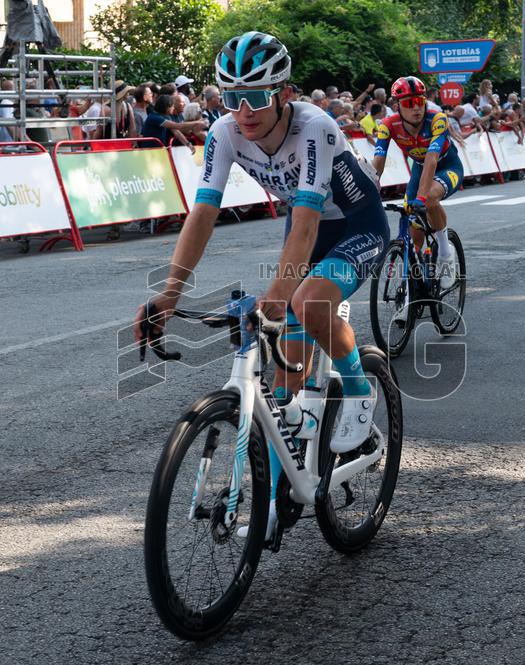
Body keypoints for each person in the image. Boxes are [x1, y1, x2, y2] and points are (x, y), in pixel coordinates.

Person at [133, 32, 390, 539]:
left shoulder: (314, 127)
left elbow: (309, 221)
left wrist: (277, 298)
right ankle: (281, 489)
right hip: (303, 229)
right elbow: (203, 213)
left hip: (356, 226)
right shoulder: (224, 133)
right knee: (282, 383)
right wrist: (169, 296)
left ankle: (359, 392)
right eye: (231, 98)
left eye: (255, 96)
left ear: (285, 94)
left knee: (306, 302)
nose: (243, 111)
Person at [372, 75, 463, 307]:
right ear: (396, 106)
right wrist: (369, 193)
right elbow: (378, 162)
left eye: (420, 101)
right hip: (419, 169)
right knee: (414, 233)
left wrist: (421, 198)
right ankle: (413, 287)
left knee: (430, 198)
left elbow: (432, 160)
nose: (417, 108)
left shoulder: (437, 119)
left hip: (446, 166)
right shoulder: (387, 125)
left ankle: (445, 253)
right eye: (409, 103)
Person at [141, 93, 205, 151]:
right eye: (172, 106)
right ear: (167, 107)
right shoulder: (155, 117)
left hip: (160, 149)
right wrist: (198, 122)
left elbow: (176, 131)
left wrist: (188, 144)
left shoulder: (166, 116)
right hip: (150, 149)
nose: (173, 108)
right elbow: (178, 126)